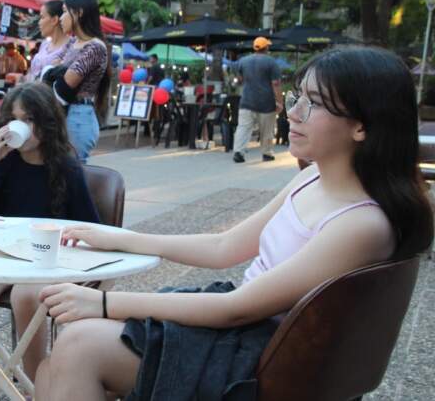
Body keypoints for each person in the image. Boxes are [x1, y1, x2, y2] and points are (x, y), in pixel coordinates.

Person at [33, 46, 433, 401]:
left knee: (79, 347)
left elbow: (236, 308)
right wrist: (124, 238)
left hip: (264, 361)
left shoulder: (362, 223)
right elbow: (225, 247)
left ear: (362, 125)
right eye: (296, 98)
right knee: (53, 368)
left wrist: (103, 301)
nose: (290, 112)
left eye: (313, 104)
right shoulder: (312, 175)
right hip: (245, 333)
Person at [0, 82, 100, 401]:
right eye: (14, 119)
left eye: (29, 119)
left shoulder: (66, 167)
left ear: (46, 122)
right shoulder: (6, 162)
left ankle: (33, 388)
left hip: (48, 262)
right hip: (5, 256)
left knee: (26, 295)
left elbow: (90, 225)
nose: (21, 127)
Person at [48, 0, 111, 163]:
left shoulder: (95, 47)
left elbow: (65, 85)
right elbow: (50, 69)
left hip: (78, 117)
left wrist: (53, 74)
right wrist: (54, 73)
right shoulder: (72, 43)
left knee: (73, 174)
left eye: (64, 12)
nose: (61, 18)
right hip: (63, 113)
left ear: (79, 12)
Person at [231, 36, 282, 163]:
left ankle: (238, 151)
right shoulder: (271, 62)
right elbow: (275, 84)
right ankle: (267, 153)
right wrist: (280, 102)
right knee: (267, 129)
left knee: (243, 127)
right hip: (266, 102)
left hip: (247, 101)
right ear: (266, 48)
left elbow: (238, 75)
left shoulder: (243, 61)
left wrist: (243, 80)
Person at [26, 0, 74, 82]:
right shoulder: (44, 44)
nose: (39, 22)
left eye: (42, 17)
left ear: (54, 20)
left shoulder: (71, 46)